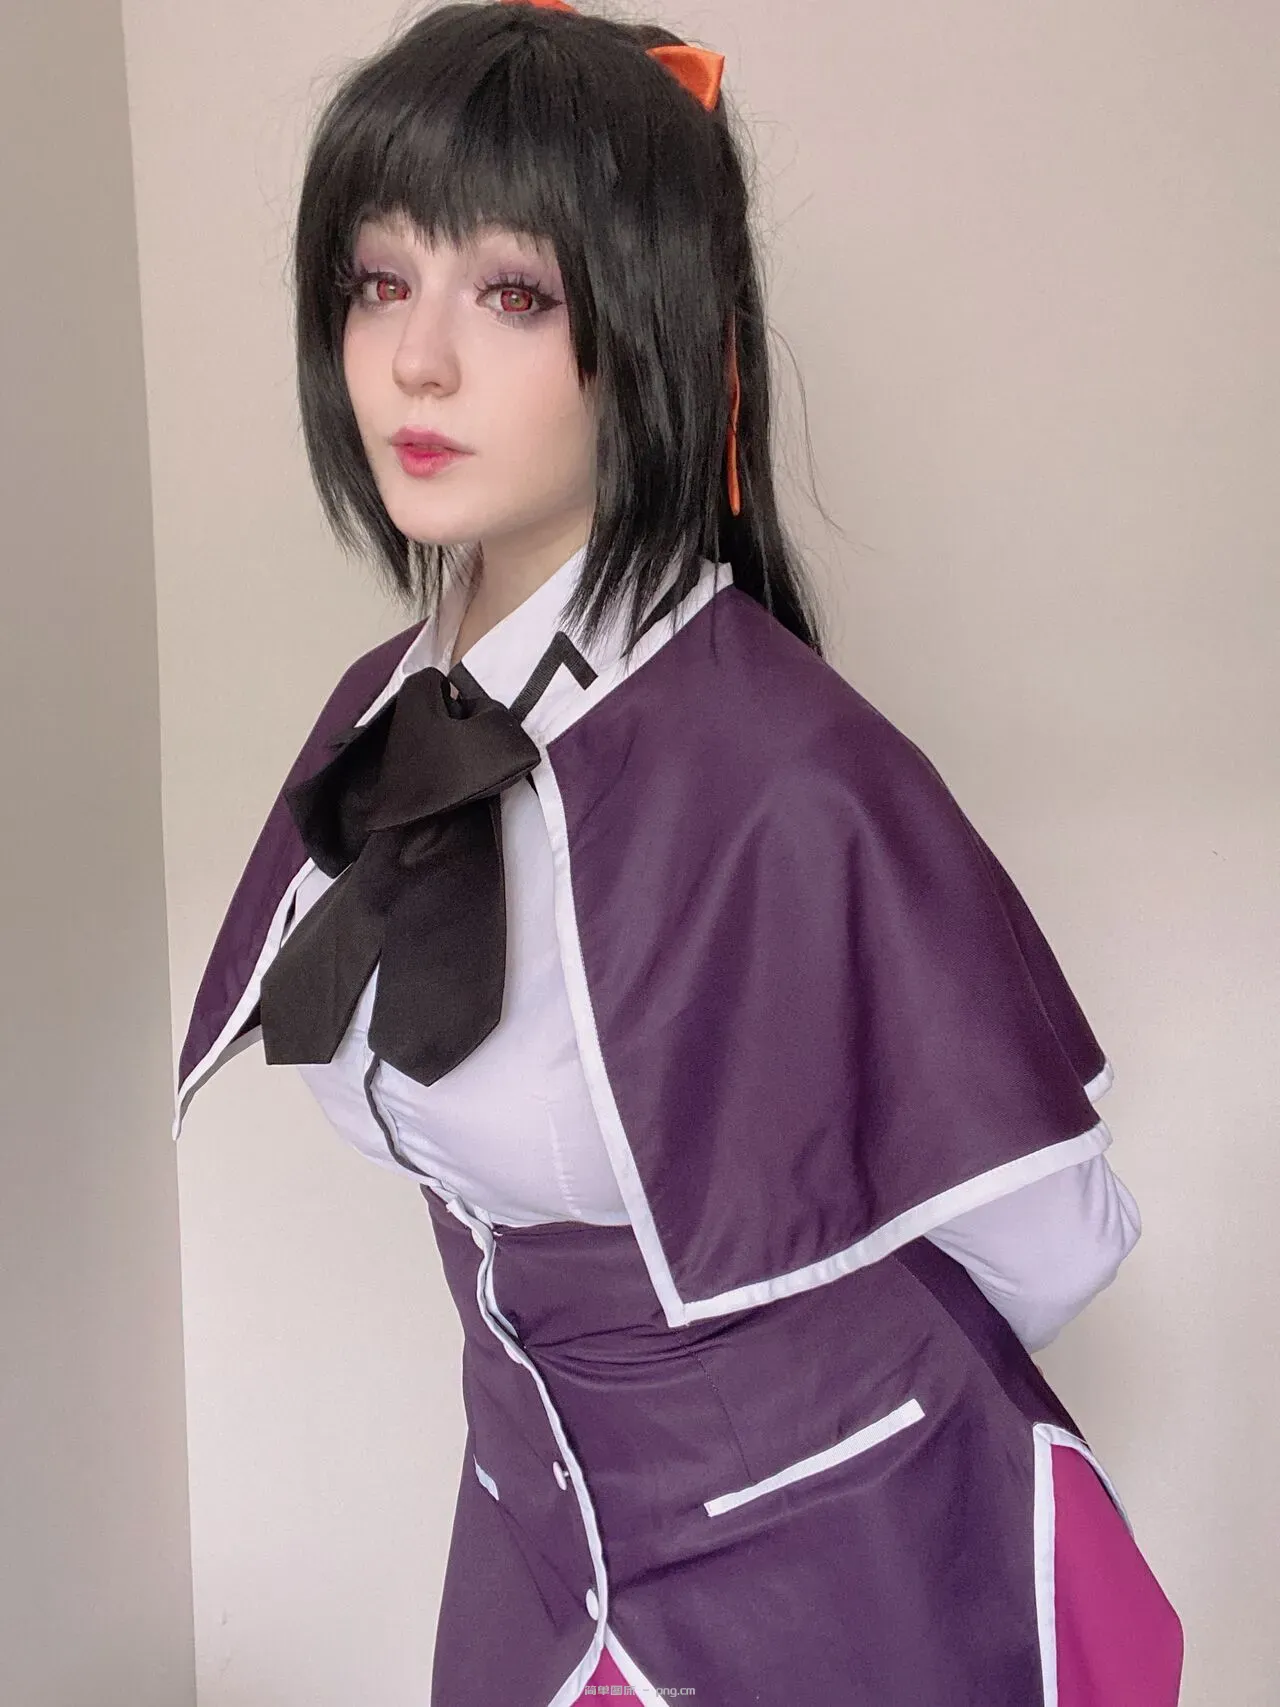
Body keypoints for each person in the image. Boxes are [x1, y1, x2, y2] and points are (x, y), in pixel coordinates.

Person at [173, 2, 1186, 1701]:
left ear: (642, 327)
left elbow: (1053, 1238)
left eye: (513, 293)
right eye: (378, 281)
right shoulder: (383, 719)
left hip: (842, 1584)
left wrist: (785, 1422)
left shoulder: (794, 777)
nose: (417, 361)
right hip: (531, 1556)